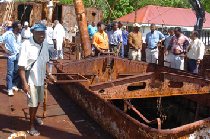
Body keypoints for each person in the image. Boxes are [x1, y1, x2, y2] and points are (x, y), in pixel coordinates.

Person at [18, 23, 49, 136]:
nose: (42, 35)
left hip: (41, 78)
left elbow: (45, 61)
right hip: (30, 80)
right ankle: (31, 126)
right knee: (33, 103)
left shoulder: (44, 44)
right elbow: (21, 67)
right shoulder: (26, 44)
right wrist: (24, 83)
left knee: (38, 101)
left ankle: (34, 116)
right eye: (39, 33)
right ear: (33, 33)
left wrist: (47, 74)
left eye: (43, 33)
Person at [2, 21, 22, 96]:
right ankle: (9, 88)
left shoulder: (19, 35)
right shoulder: (8, 33)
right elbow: (0, 41)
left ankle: (13, 84)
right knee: (10, 72)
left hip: (18, 55)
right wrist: (5, 50)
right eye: (19, 26)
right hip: (11, 56)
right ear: (15, 27)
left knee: (16, 70)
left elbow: (19, 45)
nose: (21, 27)